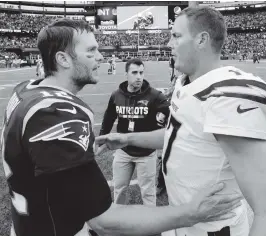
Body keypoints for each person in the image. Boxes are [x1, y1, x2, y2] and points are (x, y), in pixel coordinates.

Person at [1, 18, 242, 236]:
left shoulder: (26, 90)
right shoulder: (57, 112)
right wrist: (191, 213)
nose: (101, 57)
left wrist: (127, 138)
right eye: (91, 51)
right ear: (63, 59)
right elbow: (104, 221)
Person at [96, 6, 266, 236]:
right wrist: (127, 138)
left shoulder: (225, 97)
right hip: (181, 216)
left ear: (201, 40)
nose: (169, 43)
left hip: (213, 228)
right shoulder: (186, 82)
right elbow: (178, 136)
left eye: (176, 36)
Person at [100, 58, 170, 205]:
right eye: (134, 72)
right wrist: (101, 139)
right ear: (126, 74)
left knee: (148, 193)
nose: (139, 76)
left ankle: (150, 225)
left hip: (146, 153)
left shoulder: (155, 96)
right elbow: (108, 119)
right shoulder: (116, 95)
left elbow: (170, 113)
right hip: (123, 151)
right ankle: (120, 221)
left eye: (141, 72)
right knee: (119, 190)